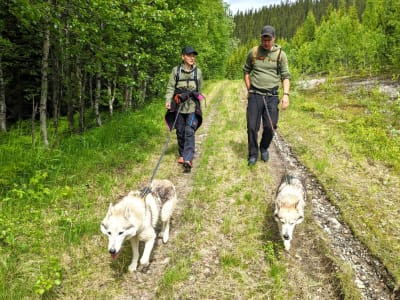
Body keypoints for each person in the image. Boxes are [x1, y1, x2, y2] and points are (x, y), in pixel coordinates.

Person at [243, 25, 290, 166]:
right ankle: (252, 154)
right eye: (264, 39)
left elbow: (285, 76)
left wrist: (286, 95)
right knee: (252, 126)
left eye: (269, 39)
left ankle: (263, 147)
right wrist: (249, 88)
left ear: (274, 38)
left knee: (271, 126)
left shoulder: (280, 54)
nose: (266, 42)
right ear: (261, 38)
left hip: (272, 96)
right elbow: (246, 71)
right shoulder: (254, 52)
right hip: (255, 95)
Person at [165, 46, 204, 172]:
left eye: (193, 55)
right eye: (189, 55)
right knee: (180, 131)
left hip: (192, 105)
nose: (192, 58)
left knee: (189, 130)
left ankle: (188, 158)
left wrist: (196, 96)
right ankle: (182, 154)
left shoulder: (198, 72)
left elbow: (199, 89)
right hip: (179, 105)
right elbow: (171, 87)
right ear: (183, 57)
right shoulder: (175, 71)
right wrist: (168, 101)